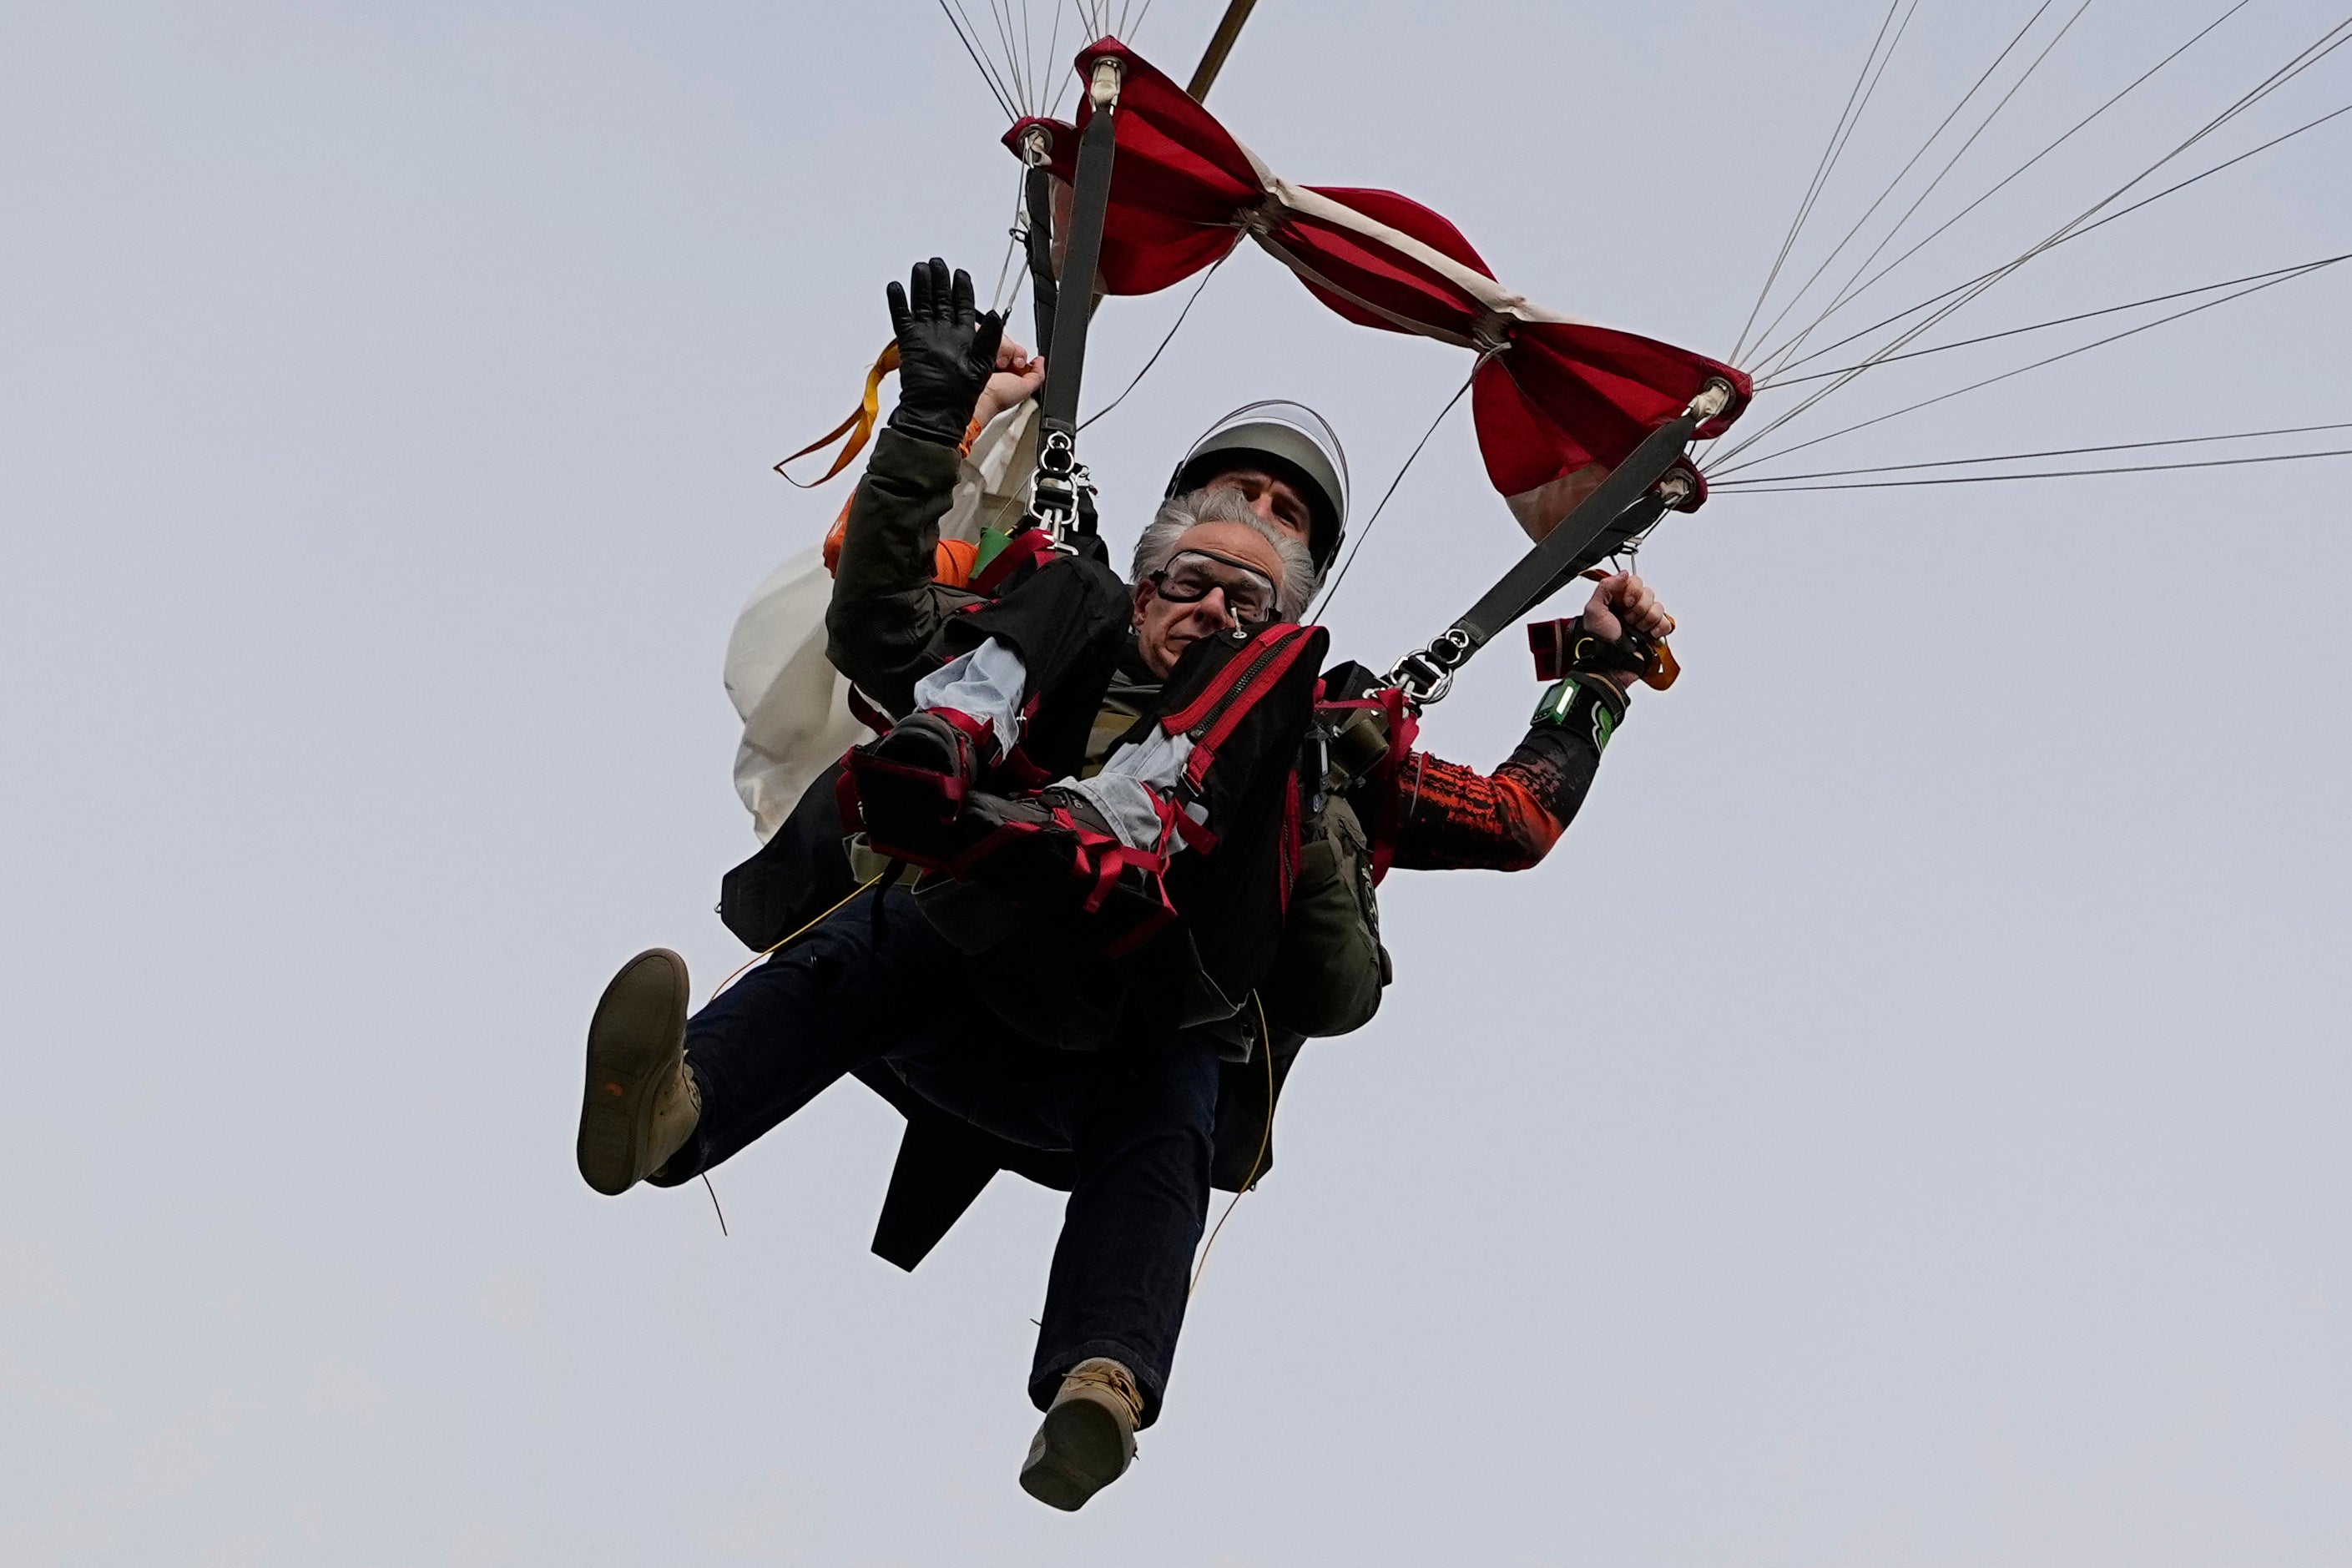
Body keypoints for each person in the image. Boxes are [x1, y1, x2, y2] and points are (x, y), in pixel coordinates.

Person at [575, 259, 1676, 1512]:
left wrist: (1592, 683)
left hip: (1146, 1018)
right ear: (1156, 561)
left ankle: (1097, 1385)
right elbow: (875, 615)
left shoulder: (1325, 713)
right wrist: (932, 420)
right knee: (927, 868)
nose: (1214, 600)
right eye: (1197, 565)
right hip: (959, 972)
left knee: (1176, 1062)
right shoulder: (1073, 612)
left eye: (1264, 559)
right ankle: (674, 1111)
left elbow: (1513, 819)